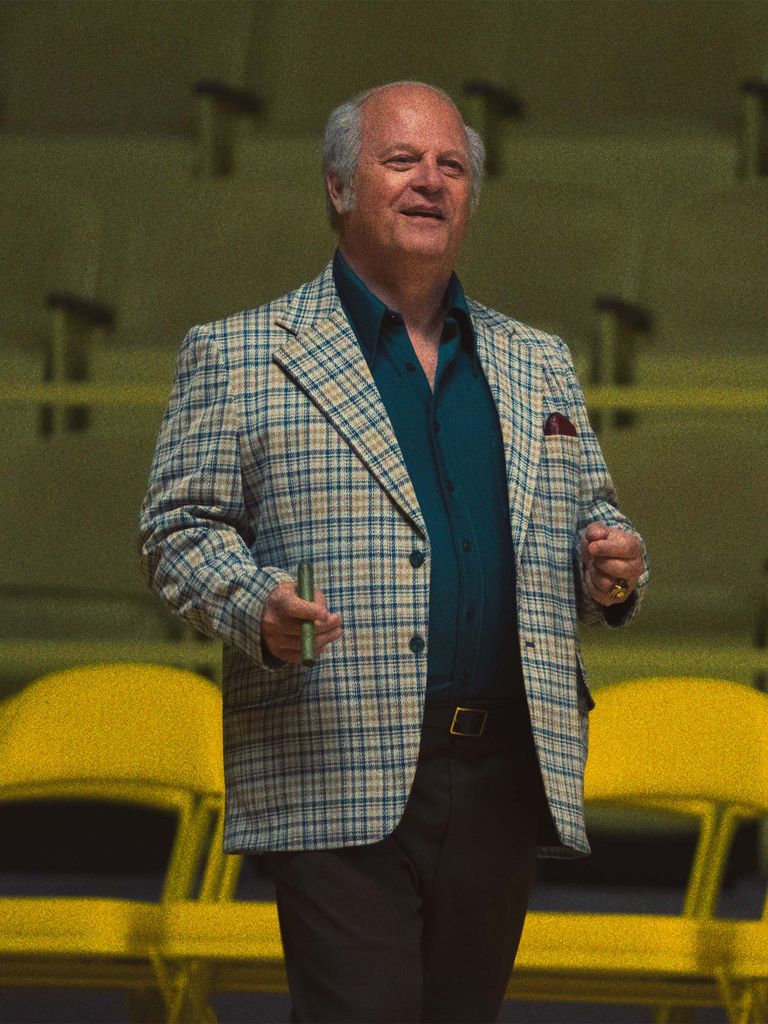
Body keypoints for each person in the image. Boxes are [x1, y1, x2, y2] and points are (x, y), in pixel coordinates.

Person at [139, 80, 648, 1024]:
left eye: (451, 166)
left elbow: (593, 512)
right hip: (334, 749)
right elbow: (176, 528)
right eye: (402, 160)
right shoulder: (243, 351)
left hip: (501, 763)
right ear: (339, 186)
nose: (431, 182)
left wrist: (607, 561)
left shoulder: (536, 359)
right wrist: (255, 605)